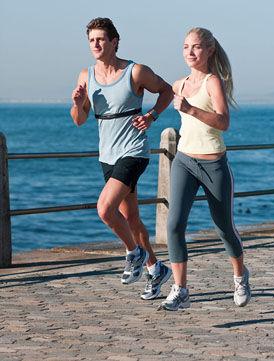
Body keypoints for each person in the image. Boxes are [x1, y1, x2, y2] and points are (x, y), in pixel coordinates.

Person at [70, 18, 174, 300]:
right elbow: (79, 120)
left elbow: (168, 90)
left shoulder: (135, 71)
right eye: (91, 40)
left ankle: (133, 253)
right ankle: (155, 269)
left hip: (134, 151)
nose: (96, 44)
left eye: (101, 39)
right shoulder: (86, 76)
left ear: (115, 41)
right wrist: (79, 103)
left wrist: (152, 116)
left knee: (105, 209)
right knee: (131, 219)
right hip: (108, 155)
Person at [160, 27, 251, 311]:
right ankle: (181, 289)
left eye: (196, 47)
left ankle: (240, 276)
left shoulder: (214, 83)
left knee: (224, 227)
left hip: (213, 163)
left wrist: (191, 110)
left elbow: (224, 122)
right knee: (173, 225)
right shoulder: (179, 84)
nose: (190, 52)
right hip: (185, 161)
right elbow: (161, 95)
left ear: (209, 50)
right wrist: (148, 116)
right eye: (186, 46)